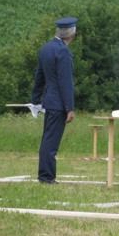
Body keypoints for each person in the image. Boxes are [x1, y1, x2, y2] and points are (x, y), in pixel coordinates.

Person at [31, 17, 77, 184]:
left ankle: (45, 174)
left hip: (49, 101)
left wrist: (35, 99)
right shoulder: (63, 51)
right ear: (72, 34)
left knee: (47, 140)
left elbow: (39, 76)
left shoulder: (46, 48)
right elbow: (65, 81)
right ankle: (46, 177)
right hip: (58, 103)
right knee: (51, 143)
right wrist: (69, 108)